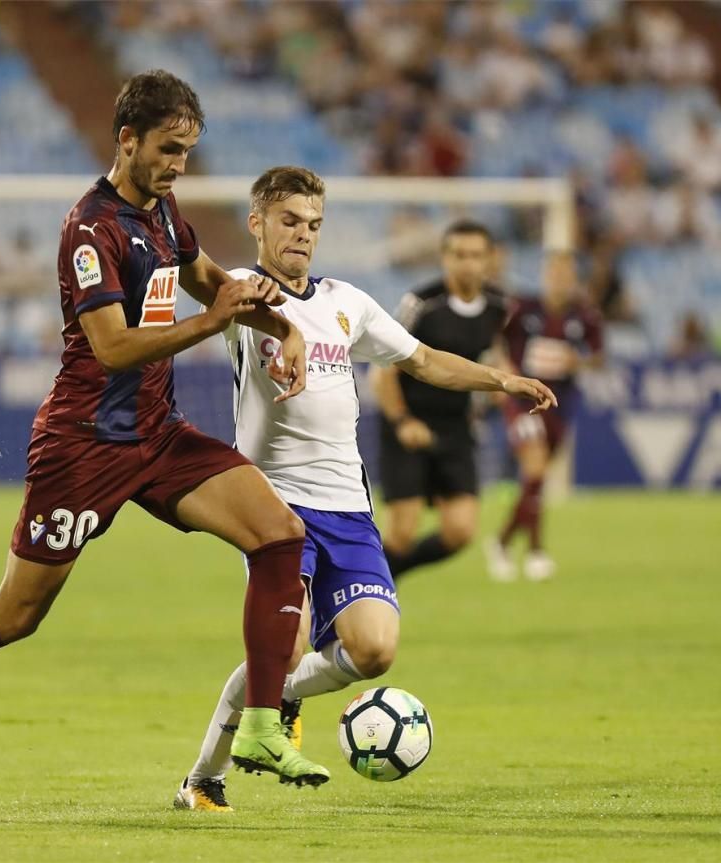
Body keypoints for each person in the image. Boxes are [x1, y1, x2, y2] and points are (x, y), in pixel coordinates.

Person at [0, 70, 333, 788]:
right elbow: (114, 347)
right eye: (167, 149)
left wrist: (279, 325)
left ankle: (258, 727)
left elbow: (208, 277)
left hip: (157, 435)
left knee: (279, 532)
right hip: (85, 446)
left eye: (187, 151)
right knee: (15, 614)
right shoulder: (89, 230)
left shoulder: (162, 209)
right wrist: (213, 322)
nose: (178, 164)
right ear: (126, 140)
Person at [175, 168, 556, 811]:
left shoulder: (346, 302)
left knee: (375, 650)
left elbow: (424, 361)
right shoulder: (243, 298)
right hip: (274, 506)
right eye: (290, 221)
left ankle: (286, 693)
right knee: (284, 649)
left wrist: (502, 381)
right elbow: (196, 273)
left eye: (313, 224)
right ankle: (204, 777)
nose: (303, 235)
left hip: (348, 507)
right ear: (257, 223)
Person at [371, 220, 509, 580]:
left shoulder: (500, 310)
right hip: (409, 422)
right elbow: (383, 371)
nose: (467, 263)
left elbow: (500, 360)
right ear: (444, 258)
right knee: (400, 533)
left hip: (455, 429)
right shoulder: (421, 304)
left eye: (476, 255)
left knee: (461, 531)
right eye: (459, 255)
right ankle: (369, 588)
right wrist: (401, 421)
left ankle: (382, 578)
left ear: (489, 260)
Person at [486, 252, 603, 581]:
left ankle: (502, 542)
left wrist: (576, 362)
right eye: (554, 273)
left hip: (560, 403)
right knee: (535, 467)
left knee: (535, 480)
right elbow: (497, 339)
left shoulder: (584, 315)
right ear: (546, 275)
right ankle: (536, 551)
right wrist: (502, 372)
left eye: (566, 274)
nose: (560, 280)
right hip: (523, 399)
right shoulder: (524, 308)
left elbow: (599, 356)